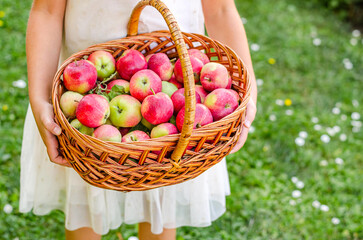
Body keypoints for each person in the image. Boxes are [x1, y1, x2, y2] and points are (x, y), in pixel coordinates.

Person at [20, 0, 257, 239]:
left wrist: (249, 91)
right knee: (87, 196)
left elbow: (221, 10)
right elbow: (47, 10)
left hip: (179, 78)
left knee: (164, 191)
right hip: (89, 86)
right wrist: (40, 98)